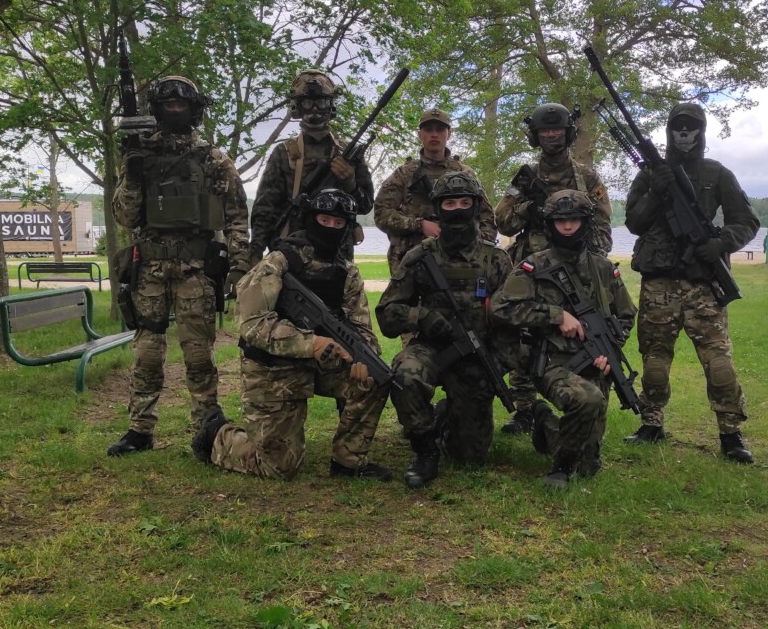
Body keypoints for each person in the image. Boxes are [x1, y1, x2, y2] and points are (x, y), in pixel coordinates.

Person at [192, 188, 392, 481]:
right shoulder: (278, 262)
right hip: (272, 367)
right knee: (278, 467)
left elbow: (362, 329)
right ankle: (216, 433)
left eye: (339, 223)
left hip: (319, 363)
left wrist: (363, 360)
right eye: (325, 220)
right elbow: (250, 322)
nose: (331, 228)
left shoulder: (347, 273)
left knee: (374, 377)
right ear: (311, 219)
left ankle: (348, 461)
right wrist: (310, 343)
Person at [106, 76, 250, 457]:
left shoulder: (212, 159)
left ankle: (205, 428)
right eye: (167, 103)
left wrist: (238, 265)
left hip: (195, 269)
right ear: (157, 108)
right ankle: (140, 429)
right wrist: (132, 173)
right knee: (147, 352)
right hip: (150, 269)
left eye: (181, 103)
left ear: (194, 109)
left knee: (199, 353)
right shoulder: (140, 156)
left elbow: (237, 216)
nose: (174, 108)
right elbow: (125, 216)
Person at [622, 102, 759, 463]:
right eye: (678, 126)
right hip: (659, 283)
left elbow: (746, 220)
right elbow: (634, 222)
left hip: (703, 284)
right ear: (669, 130)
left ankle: (731, 434)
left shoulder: (717, 174)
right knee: (654, 361)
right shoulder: (650, 174)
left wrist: (721, 242)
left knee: (719, 364)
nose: (684, 133)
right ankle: (652, 424)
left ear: (702, 131)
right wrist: (655, 192)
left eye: (691, 126)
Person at [376, 172, 514, 488]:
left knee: (469, 455)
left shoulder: (496, 260)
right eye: (450, 204)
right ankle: (425, 450)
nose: (458, 210)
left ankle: (443, 416)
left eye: (465, 203)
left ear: (475, 206)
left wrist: (495, 365)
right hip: (432, 349)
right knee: (406, 375)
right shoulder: (419, 257)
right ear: (438, 208)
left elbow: (514, 322)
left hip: (475, 355)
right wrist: (421, 316)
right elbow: (387, 314)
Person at [490, 190, 636, 487]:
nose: (568, 226)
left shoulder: (603, 268)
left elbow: (625, 316)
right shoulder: (533, 266)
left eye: (574, 219)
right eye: (561, 220)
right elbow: (501, 308)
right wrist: (556, 316)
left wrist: (609, 351)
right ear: (550, 224)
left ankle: (545, 423)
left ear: (585, 222)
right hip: (549, 361)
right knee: (588, 399)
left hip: (592, 362)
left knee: (589, 465)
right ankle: (562, 467)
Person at [494, 103, 613, 436]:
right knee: (524, 334)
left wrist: (587, 258)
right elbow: (502, 221)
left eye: (557, 129)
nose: (551, 135)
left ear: (568, 133)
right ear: (535, 135)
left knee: (580, 333)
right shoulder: (525, 176)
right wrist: (529, 209)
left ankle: (582, 397)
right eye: (545, 130)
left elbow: (603, 227)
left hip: (576, 271)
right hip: (533, 269)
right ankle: (525, 408)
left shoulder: (587, 177)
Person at [249, 69, 374, 263]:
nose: (315, 109)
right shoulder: (284, 153)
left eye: (321, 102)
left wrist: (350, 184)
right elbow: (265, 210)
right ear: (298, 107)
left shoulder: (347, 154)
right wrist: (255, 254)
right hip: (291, 252)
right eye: (308, 102)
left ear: (330, 106)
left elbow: (365, 206)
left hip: (337, 256)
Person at [373, 108, 496, 277]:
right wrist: (419, 225)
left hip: (458, 262)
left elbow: (487, 218)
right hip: (411, 262)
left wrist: (477, 249)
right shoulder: (404, 174)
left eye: (440, 129)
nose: (434, 134)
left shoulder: (465, 174)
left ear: (449, 134)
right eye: (428, 130)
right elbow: (381, 214)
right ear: (420, 135)